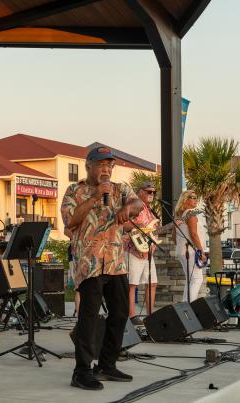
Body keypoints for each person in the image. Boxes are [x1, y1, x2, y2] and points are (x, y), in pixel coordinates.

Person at [61, 146, 143, 391]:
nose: (106, 170)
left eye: (109, 165)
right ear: (88, 166)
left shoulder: (120, 189)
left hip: (116, 261)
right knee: (89, 317)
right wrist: (96, 196)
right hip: (90, 263)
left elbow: (138, 203)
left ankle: (106, 365)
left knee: (119, 314)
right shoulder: (75, 190)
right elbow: (71, 221)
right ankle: (81, 371)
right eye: (101, 165)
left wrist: (129, 208)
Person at [123, 181, 159, 325]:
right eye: (149, 192)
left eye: (153, 192)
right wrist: (140, 228)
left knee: (152, 283)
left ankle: (150, 315)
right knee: (132, 284)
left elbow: (152, 230)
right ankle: (132, 316)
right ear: (140, 192)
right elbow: (124, 224)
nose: (152, 195)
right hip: (134, 250)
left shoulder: (150, 211)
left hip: (148, 253)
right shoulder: (134, 206)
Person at [174, 190, 207, 302]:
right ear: (185, 200)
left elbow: (174, 237)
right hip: (191, 251)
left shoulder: (181, 216)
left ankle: (185, 306)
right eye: (192, 197)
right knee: (197, 279)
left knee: (191, 279)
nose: (195, 199)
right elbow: (194, 234)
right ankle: (190, 308)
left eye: (196, 197)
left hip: (182, 250)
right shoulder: (191, 214)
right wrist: (201, 251)